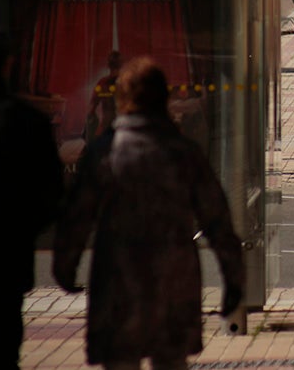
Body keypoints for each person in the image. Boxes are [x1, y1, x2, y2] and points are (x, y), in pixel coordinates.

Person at [53, 56, 245, 370]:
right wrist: (233, 282)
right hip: (174, 279)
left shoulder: (104, 152)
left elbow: (77, 216)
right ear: (164, 97)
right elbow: (218, 221)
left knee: (120, 360)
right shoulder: (184, 153)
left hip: (118, 278)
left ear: (122, 99)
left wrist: (66, 265)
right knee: (171, 361)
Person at [0, 26, 64, 369]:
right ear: (7, 65)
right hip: (4, 256)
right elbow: (51, 193)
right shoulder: (28, 121)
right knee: (2, 349)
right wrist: (22, 230)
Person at [86, 50, 122, 142]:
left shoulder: (102, 82)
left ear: (108, 65)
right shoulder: (126, 82)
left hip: (107, 123)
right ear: (121, 64)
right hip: (121, 124)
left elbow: (93, 104)